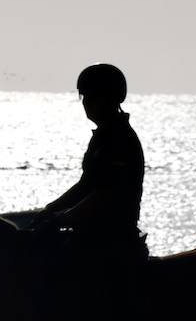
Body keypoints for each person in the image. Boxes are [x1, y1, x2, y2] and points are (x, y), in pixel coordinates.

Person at [32, 63, 147, 267]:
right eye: (84, 97)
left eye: (93, 97)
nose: (86, 103)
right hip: (91, 234)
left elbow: (105, 195)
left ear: (111, 98)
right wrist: (50, 210)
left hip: (111, 240)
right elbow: (84, 186)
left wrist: (62, 218)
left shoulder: (120, 139)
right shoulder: (101, 137)